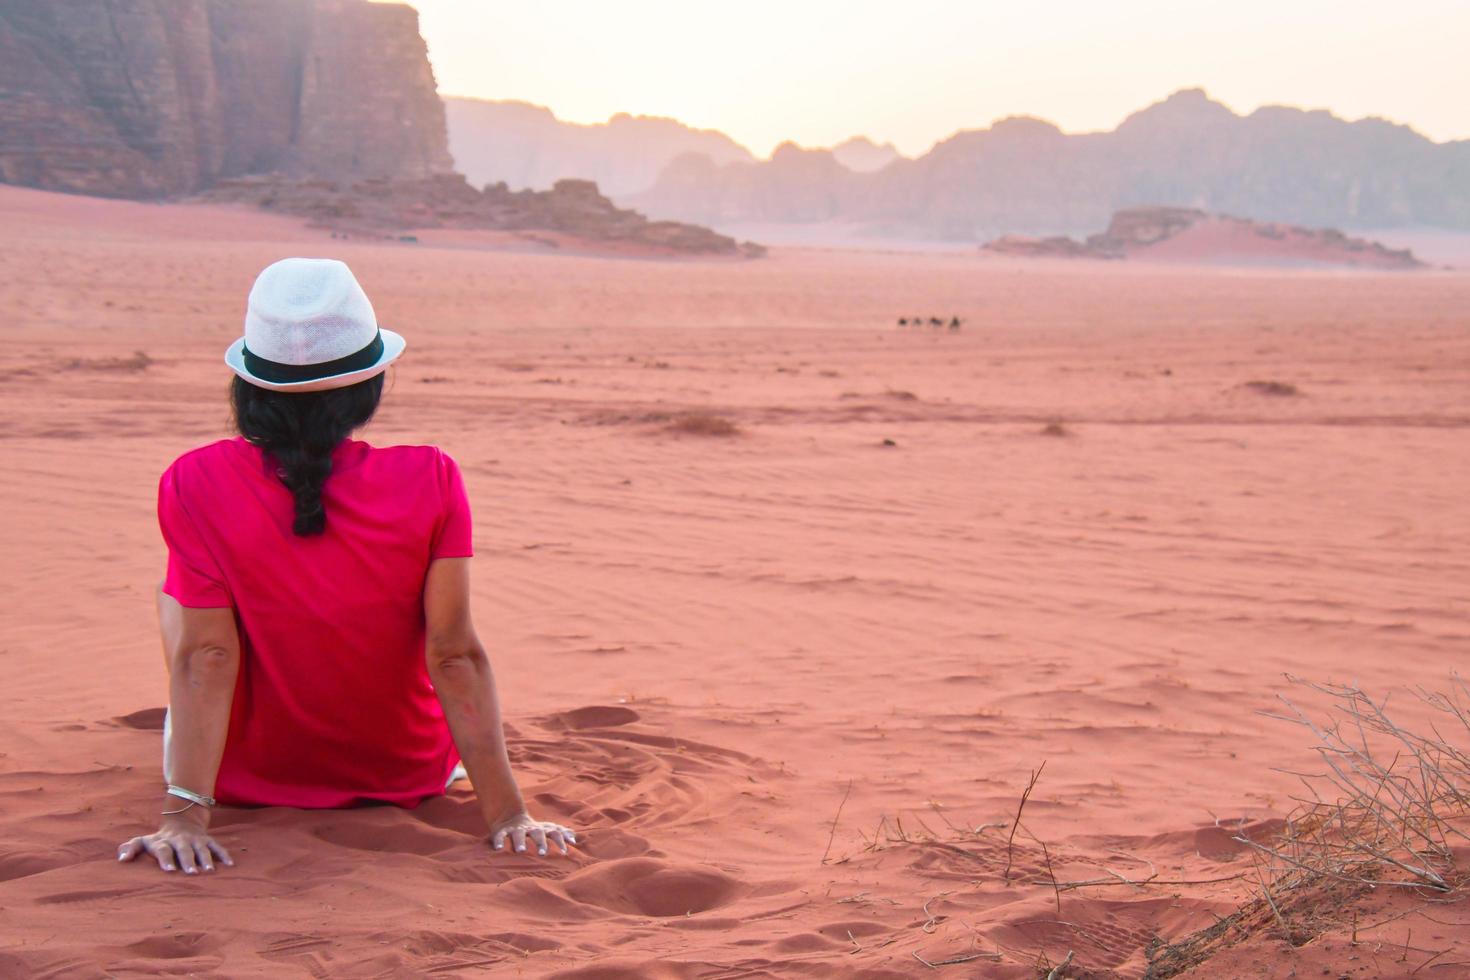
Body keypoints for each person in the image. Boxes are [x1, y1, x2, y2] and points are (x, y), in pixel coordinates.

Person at [118, 257, 575, 874]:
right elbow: (453, 653)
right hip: (408, 773)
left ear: (250, 387)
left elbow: (209, 656)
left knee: (172, 596)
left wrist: (184, 815)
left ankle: (201, 767)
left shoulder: (193, 481)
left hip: (244, 779)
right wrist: (509, 816)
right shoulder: (431, 476)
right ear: (369, 384)